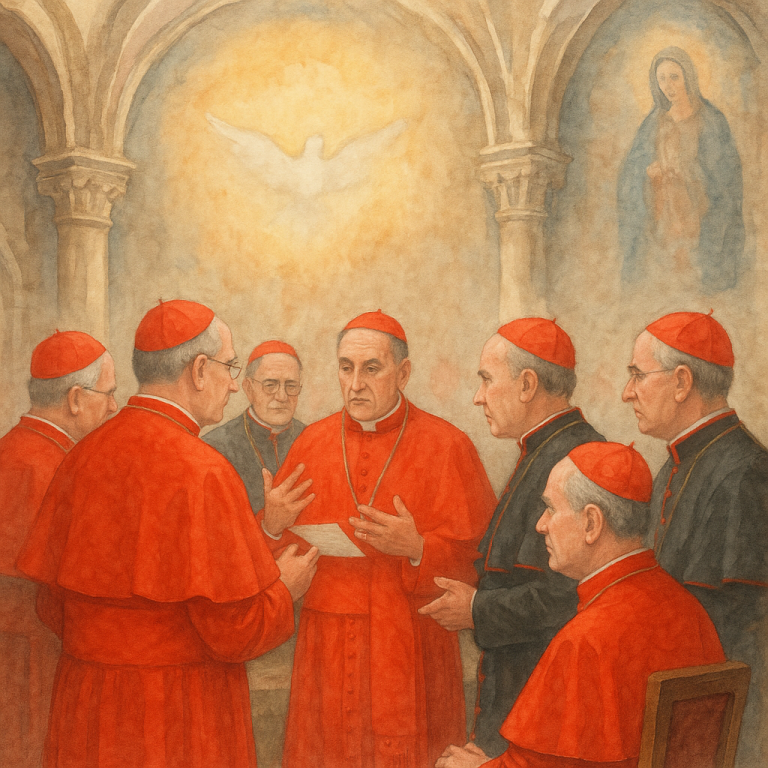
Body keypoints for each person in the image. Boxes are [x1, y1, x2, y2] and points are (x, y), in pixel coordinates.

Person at [17, 299, 319, 768]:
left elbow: (50, 607)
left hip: (87, 704)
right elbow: (235, 634)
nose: (233, 384)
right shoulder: (204, 470)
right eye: (229, 367)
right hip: (179, 708)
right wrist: (285, 592)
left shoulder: (81, 455)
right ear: (199, 370)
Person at [259, 309, 497, 768]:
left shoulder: (448, 445)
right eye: (346, 368)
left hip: (412, 642)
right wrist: (271, 523)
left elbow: (481, 562)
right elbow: (270, 555)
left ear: (403, 373)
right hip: (327, 644)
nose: (355, 384)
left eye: (372, 369)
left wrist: (418, 549)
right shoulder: (312, 442)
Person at [437, 442, 725, 768]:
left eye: (551, 508)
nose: (541, 524)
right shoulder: (688, 609)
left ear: (591, 523)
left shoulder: (585, 639)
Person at [418, 318, 604, 758]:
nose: (478, 396)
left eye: (486, 379)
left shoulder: (577, 459)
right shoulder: (542, 449)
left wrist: (476, 609)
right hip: (517, 694)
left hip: (544, 703)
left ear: (526, 385)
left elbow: (568, 599)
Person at [622, 310, 768, 766]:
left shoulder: (744, 471)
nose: (627, 392)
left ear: (682, 382)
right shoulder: (677, 461)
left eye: (638, 375)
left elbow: (727, 625)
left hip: (715, 714)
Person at [0, 330, 116, 768]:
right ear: (75, 399)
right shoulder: (59, 465)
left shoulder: (9, 448)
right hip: (40, 653)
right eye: (108, 393)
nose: (113, 406)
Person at [618, 46, 744, 294]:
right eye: (662, 79)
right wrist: (648, 173)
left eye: (674, 77)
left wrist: (688, 173)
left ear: (688, 76)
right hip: (663, 210)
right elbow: (632, 172)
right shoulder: (653, 123)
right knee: (664, 278)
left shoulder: (711, 120)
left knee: (694, 280)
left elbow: (725, 176)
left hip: (697, 212)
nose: (668, 86)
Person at [203, 340, 305, 514]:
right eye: (270, 385)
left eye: (291, 386)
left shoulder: (312, 437)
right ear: (249, 388)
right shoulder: (215, 446)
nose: (282, 396)